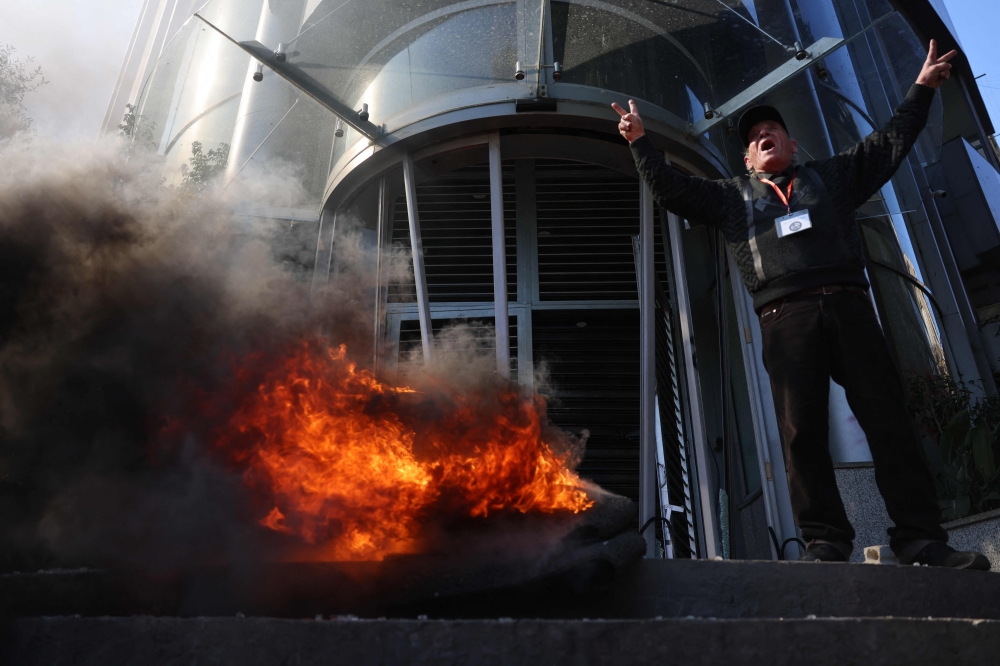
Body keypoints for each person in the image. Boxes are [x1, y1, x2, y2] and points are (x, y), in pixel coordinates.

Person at [613, 40, 990, 570]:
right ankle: (825, 542)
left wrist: (922, 88)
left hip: (849, 308)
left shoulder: (832, 178)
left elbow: (888, 143)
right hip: (784, 319)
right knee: (801, 434)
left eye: (772, 131)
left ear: (791, 143)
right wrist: (640, 144)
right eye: (753, 138)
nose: (762, 135)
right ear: (746, 159)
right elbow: (673, 190)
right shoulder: (730, 198)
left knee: (889, 425)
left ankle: (921, 540)